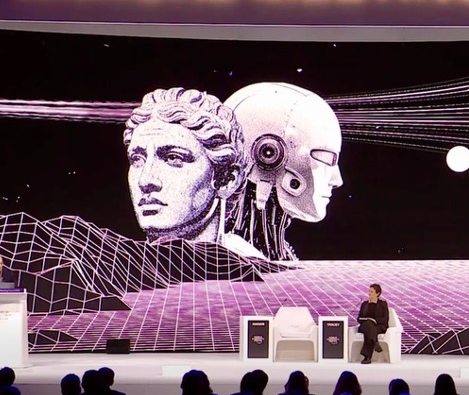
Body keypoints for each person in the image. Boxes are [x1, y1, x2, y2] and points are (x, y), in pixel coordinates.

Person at [123, 87, 256, 256]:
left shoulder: (260, 270)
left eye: (173, 158)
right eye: (137, 160)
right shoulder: (112, 267)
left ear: (227, 179)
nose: (145, 181)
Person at [224, 82, 343, 261]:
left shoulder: (276, 254)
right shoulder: (229, 258)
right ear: (269, 154)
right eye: (325, 158)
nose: (337, 180)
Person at [357, 283, 389, 364]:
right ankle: (375, 342)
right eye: (369, 291)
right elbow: (359, 318)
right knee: (368, 325)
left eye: (371, 291)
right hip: (365, 326)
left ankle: (367, 357)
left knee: (370, 329)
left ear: (377, 293)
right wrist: (366, 320)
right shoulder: (364, 304)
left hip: (378, 326)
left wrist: (374, 320)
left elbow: (385, 319)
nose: (369, 293)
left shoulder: (382, 304)